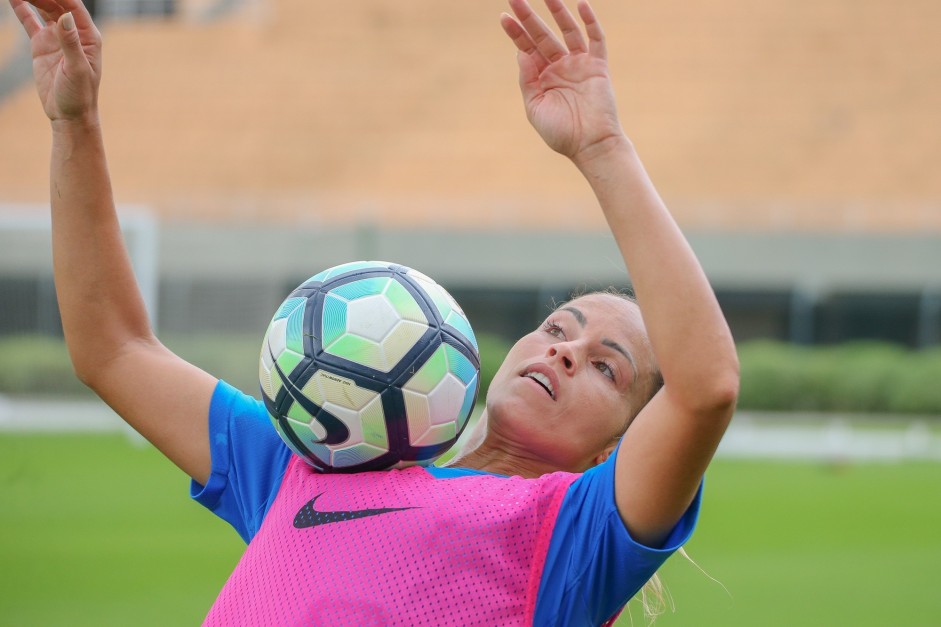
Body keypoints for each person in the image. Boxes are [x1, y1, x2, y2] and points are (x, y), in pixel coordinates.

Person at [9, 0, 739, 624]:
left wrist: (602, 145)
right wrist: (74, 120)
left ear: (624, 447)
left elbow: (704, 386)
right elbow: (112, 349)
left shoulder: (568, 540)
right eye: (558, 328)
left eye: (607, 368)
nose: (564, 351)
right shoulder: (314, 458)